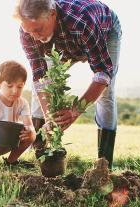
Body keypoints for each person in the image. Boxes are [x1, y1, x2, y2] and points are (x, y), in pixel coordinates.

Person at [15, 0, 122, 169]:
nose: (34, 36)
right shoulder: (28, 32)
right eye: (29, 31)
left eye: (38, 30)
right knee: (42, 88)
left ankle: (104, 163)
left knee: (106, 94)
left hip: (103, 31)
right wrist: (51, 117)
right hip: (64, 41)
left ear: (52, 14)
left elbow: (102, 74)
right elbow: (40, 77)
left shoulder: (82, 21)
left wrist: (75, 111)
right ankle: (38, 152)